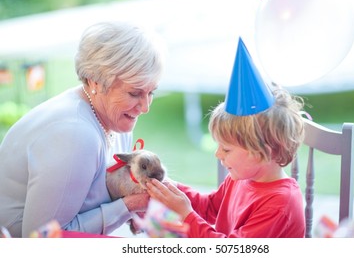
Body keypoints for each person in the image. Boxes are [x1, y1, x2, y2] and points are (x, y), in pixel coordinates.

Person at [0, 21, 164, 237]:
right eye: (134, 94)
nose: (145, 107)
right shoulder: (75, 136)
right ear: (95, 82)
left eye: (151, 92)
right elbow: (42, 239)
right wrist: (130, 205)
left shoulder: (113, 119)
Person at [146, 38, 306, 238]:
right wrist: (170, 187)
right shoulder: (242, 176)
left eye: (226, 149)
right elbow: (211, 207)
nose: (217, 153)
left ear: (262, 151)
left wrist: (186, 215)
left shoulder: (279, 204)